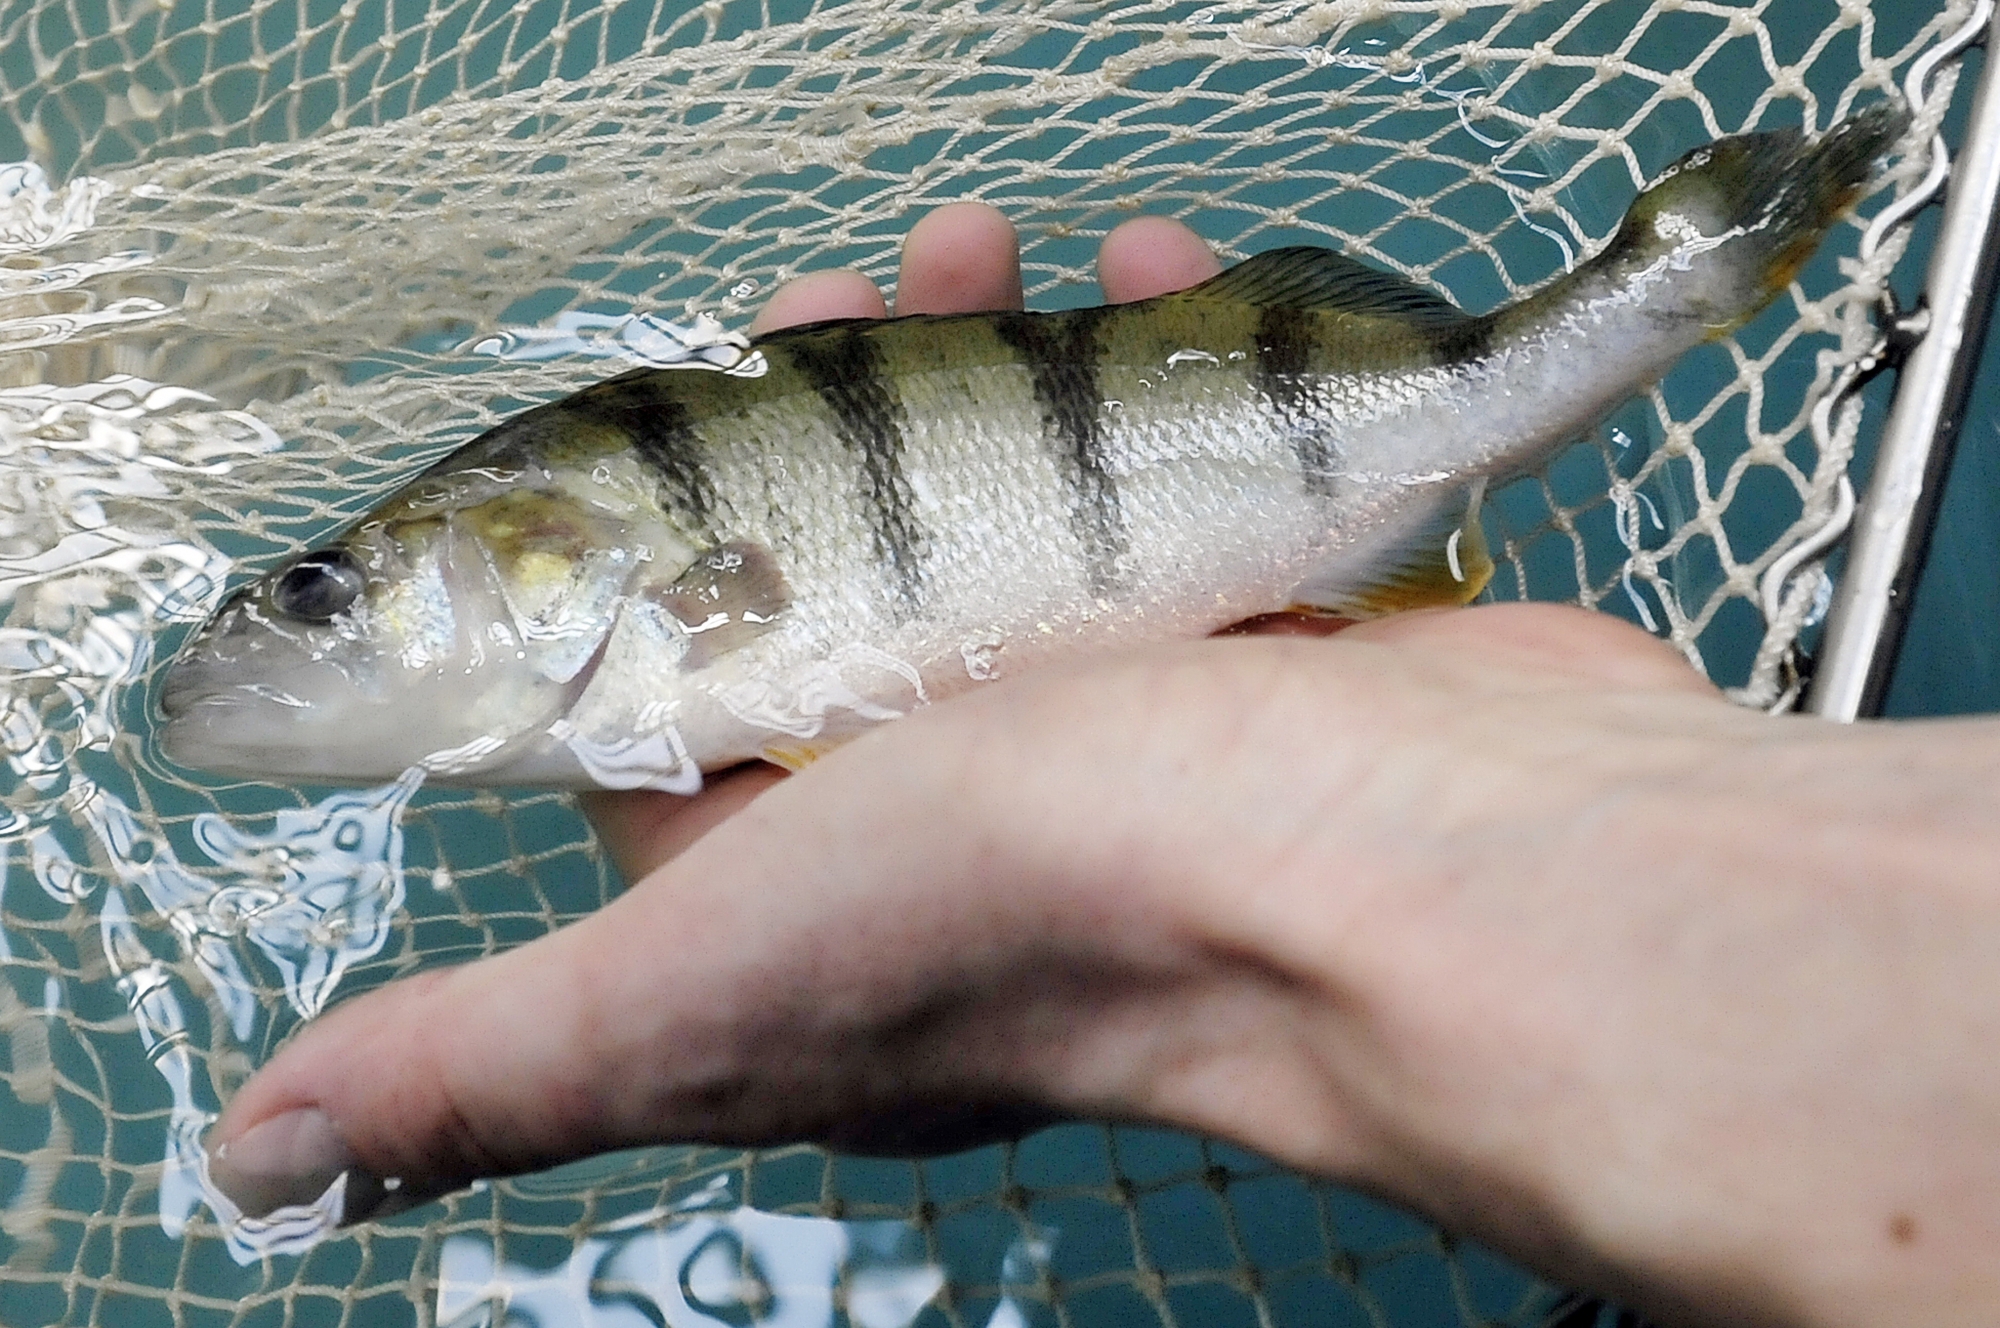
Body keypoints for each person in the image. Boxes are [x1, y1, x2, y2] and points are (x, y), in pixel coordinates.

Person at [205, 205, 2000, 1327]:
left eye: (321, 594)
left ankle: (1648, 295)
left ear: (536, 543)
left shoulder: (643, 622)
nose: (305, 632)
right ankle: (1652, 287)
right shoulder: (625, 643)